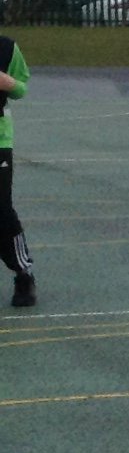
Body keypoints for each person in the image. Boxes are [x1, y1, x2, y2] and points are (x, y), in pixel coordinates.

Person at [1, 27, 31, 307]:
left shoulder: (7, 48)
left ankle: (23, 273)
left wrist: (7, 82)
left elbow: (22, 87)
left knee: (1, 209)